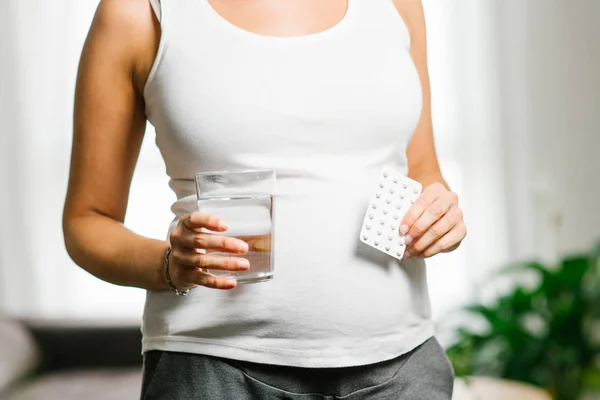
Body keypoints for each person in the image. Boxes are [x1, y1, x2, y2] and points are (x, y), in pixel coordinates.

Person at [63, 0, 467, 398]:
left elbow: (421, 170)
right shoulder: (139, 12)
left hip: (403, 368)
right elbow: (87, 221)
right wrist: (169, 264)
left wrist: (440, 213)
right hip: (212, 370)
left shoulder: (399, 6)